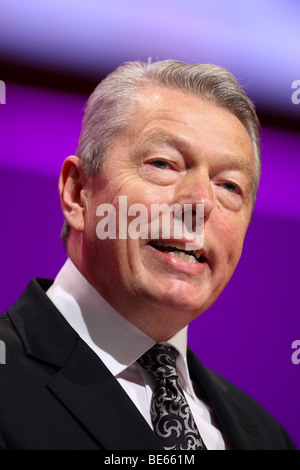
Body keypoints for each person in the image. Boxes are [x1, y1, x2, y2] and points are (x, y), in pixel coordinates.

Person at [0, 59, 296, 450]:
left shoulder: (269, 438)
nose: (201, 202)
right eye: (163, 164)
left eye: (229, 186)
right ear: (78, 192)